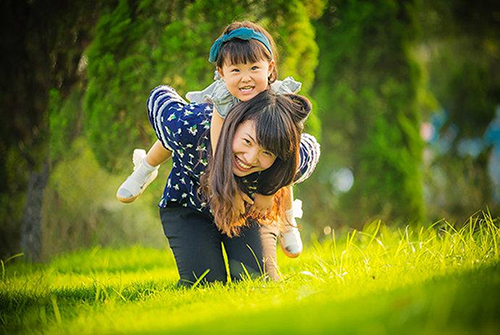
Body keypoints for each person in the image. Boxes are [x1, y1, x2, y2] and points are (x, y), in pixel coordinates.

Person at [117, 21, 305, 257]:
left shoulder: (276, 96)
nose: (246, 78)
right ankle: (146, 168)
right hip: (211, 132)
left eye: (254, 68)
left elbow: (291, 153)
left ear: (270, 68)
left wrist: (267, 194)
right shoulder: (224, 97)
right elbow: (218, 145)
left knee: (280, 159)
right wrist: (228, 182)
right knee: (175, 137)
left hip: (266, 147)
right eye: (236, 70)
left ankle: (288, 222)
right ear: (221, 73)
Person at [146, 85, 319, 285]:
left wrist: (268, 190)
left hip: (248, 213)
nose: (251, 158)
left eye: (267, 153)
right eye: (247, 141)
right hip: (190, 207)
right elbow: (158, 97)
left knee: (256, 281)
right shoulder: (191, 127)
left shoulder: (286, 160)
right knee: (205, 282)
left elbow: (312, 147)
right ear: (233, 124)